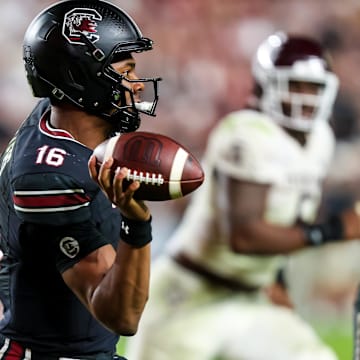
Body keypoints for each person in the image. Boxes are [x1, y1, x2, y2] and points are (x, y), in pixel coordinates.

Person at [125, 32, 360, 360]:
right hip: (191, 297)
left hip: (251, 296)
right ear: (266, 84)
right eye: (294, 85)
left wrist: (278, 279)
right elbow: (245, 236)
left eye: (313, 87)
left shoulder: (321, 139)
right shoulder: (247, 132)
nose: (304, 97)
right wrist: (335, 230)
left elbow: (289, 218)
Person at [0, 0, 163, 359]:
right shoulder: (49, 178)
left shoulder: (56, 115)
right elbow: (121, 316)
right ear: (81, 78)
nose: (136, 85)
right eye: (126, 71)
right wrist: (137, 224)